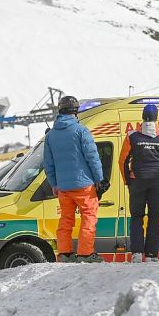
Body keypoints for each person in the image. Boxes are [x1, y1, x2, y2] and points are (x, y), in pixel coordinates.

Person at [44, 95, 105, 263]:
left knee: (66, 219)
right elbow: (92, 157)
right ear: (75, 111)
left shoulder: (50, 136)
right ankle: (85, 254)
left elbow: (48, 163)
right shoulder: (81, 130)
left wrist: (54, 184)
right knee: (88, 216)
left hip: (63, 187)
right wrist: (100, 179)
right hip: (84, 184)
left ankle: (64, 253)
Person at [119, 103, 159, 263]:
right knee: (154, 218)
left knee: (137, 217)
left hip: (137, 182)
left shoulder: (132, 136)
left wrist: (128, 181)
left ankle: (136, 254)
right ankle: (152, 256)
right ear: (156, 118)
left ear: (143, 117)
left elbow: (122, 160)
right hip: (158, 183)